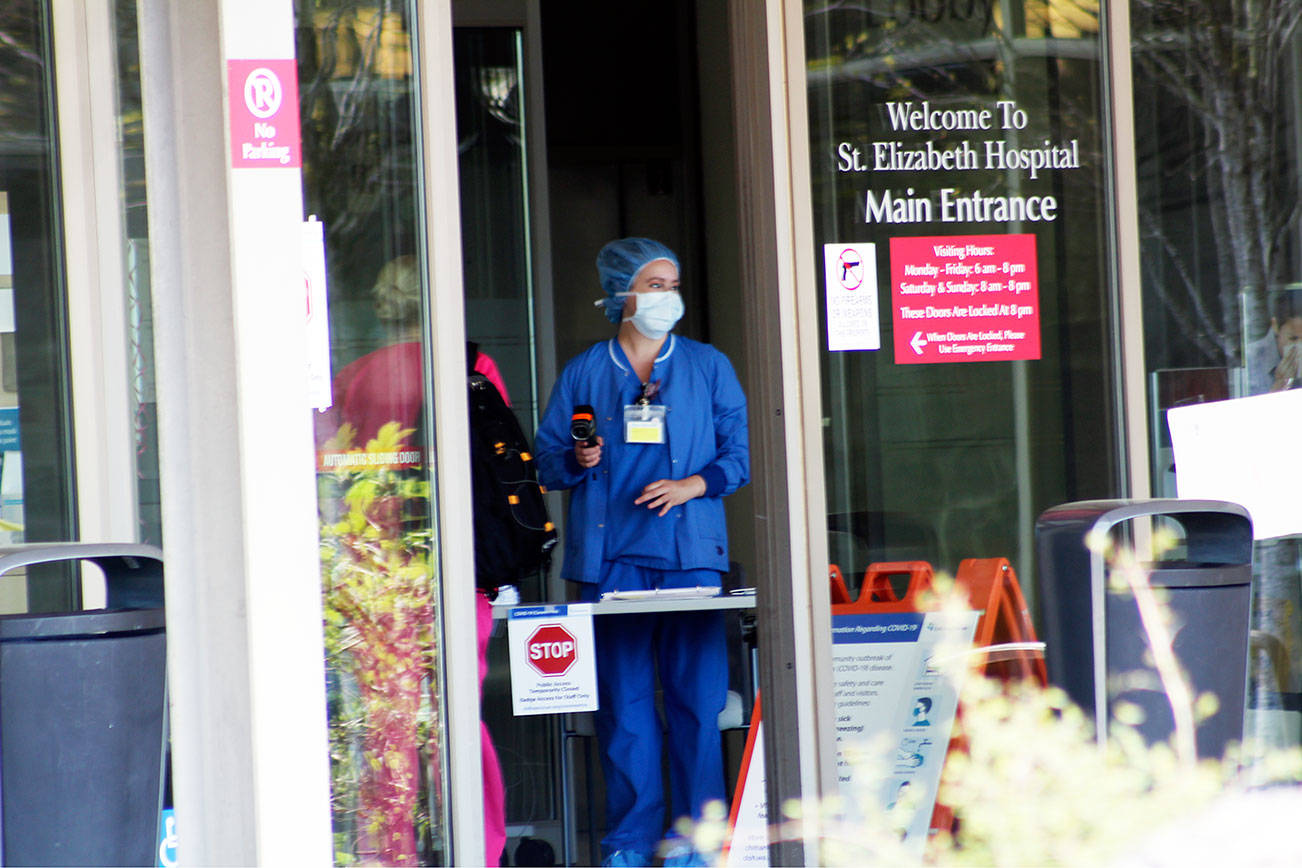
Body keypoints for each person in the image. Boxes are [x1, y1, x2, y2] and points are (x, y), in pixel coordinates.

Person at [534, 238, 750, 867]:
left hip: (691, 559)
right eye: (654, 285)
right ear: (621, 294)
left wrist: (692, 485)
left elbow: (739, 454)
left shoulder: (709, 367)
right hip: (612, 566)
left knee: (696, 709)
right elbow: (547, 462)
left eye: (672, 284)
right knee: (624, 716)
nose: (667, 296)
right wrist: (577, 459)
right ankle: (630, 845)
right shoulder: (584, 373)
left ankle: (698, 845)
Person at [315, 254, 509, 866]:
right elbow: (497, 462)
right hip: (453, 570)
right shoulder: (470, 365)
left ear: (380, 307)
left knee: (389, 727)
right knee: (457, 722)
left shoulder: (349, 379)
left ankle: (390, 851)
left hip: (377, 574)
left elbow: (324, 475)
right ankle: (479, 846)